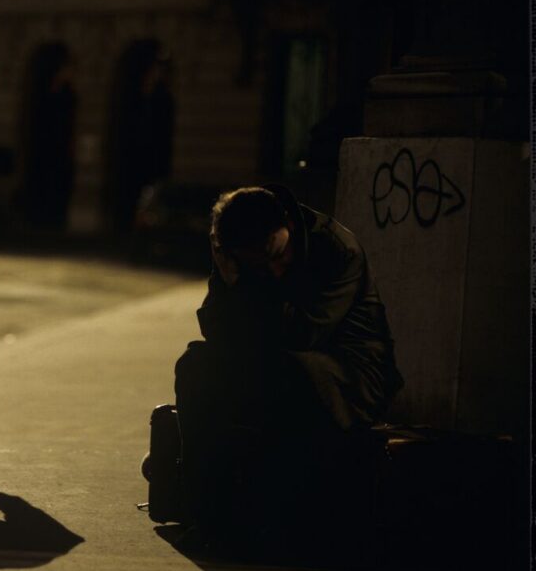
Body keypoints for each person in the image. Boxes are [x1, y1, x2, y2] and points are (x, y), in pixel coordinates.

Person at [172, 184, 403, 550]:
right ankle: (207, 518)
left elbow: (304, 333)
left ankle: (271, 524)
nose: (275, 269)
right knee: (195, 366)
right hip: (273, 361)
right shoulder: (238, 254)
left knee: (285, 374)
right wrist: (232, 282)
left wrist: (251, 288)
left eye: (276, 254)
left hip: (349, 374)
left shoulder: (335, 249)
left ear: (287, 227)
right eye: (257, 263)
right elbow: (216, 329)